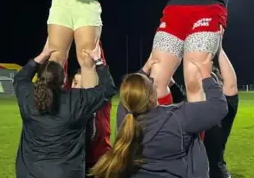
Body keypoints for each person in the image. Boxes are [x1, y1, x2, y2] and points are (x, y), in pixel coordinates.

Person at [90, 54, 228, 178]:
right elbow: (219, 107)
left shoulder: (125, 117)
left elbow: (131, 93)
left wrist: (145, 68)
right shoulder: (177, 118)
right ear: (152, 96)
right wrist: (206, 74)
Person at [13, 40, 117, 178]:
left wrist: (41, 56)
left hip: (28, 173)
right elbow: (108, 89)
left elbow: (20, 78)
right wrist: (98, 61)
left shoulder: (28, 95)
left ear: (39, 77)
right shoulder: (75, 100)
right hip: (65, 173)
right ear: (64, 81)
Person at [69, 44, 112, 177]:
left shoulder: (100, 103)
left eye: (80, 84)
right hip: (76, 163)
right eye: (74, 83)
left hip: (100, 162)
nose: (76, 87)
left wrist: (95, 42)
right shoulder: (68, 105)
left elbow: (105, 81)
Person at [204, 48, 239, 178]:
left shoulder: (223, 110)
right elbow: (162, 83)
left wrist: (218, 48)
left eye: (212, 83)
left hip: (216, 173)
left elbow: (231, 86)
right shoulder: (187, 105)